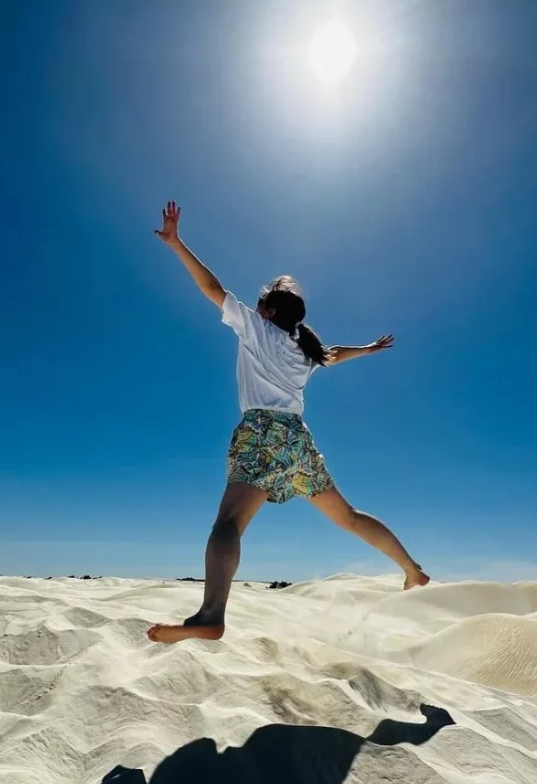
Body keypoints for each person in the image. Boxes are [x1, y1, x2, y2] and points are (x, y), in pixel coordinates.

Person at [147, 202, 429, 644]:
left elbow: (211, 287)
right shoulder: (305, 351)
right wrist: (370, 350)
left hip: (261, 433)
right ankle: (412, 569)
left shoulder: (257, 330)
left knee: (228, 525)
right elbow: (335, 354)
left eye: (260, 303)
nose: (254, 307)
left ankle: (211, 614)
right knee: (349, 517)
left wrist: (177, 244)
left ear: (269, 312)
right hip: (297, 440)